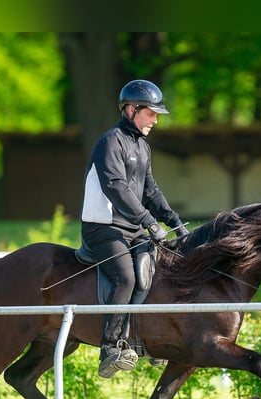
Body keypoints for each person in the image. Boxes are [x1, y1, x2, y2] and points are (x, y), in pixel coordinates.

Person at [80, 79, 189, 379]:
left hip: (132, 228)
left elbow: (150, 190)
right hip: (103, 229)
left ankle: (150, 342)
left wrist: (174, 221)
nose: (155, 119)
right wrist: (148, 222)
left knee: (160, 268)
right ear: (131, 110)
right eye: (151, 112)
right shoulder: (110, 142)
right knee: (126, 276)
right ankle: (110, 349)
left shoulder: (142, 146)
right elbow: (116, 188)